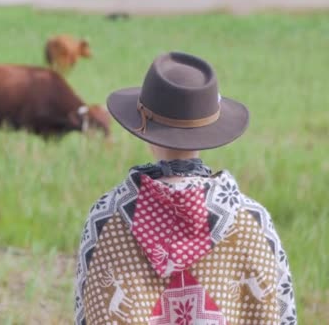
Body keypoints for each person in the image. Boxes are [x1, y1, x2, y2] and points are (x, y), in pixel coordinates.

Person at [74, 52, 296, 324]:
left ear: (144, 130)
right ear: (211, 129)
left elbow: (88, 313)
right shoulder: (252, 220)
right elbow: (281, 314)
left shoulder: (106, 218)